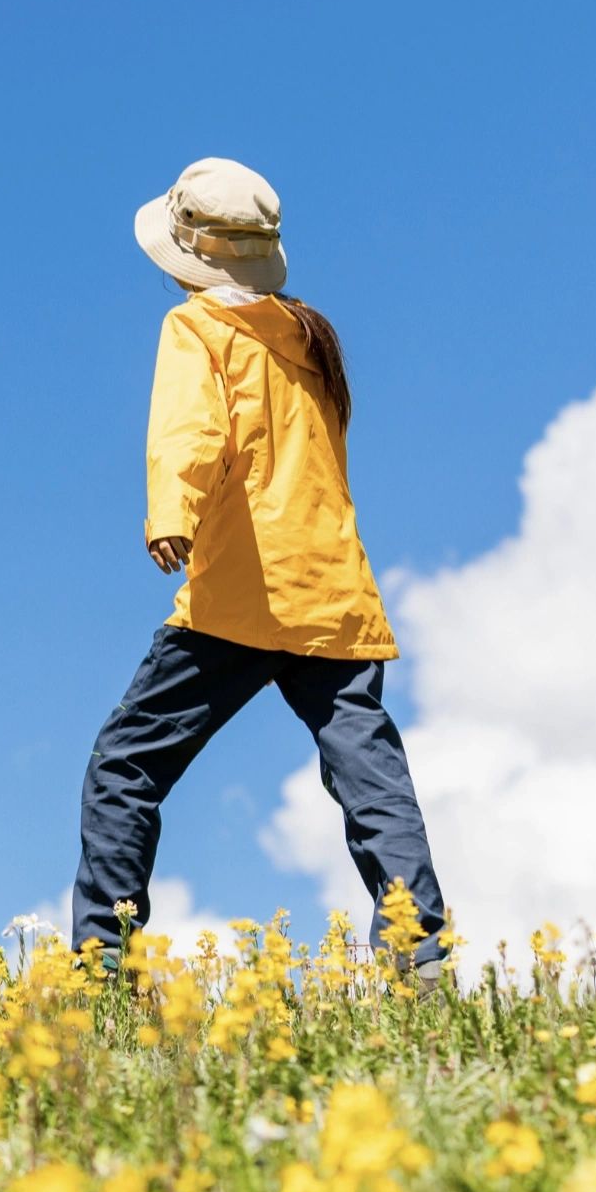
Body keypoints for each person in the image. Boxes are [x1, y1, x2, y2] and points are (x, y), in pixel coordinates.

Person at [71, 157, 447, 986]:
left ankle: (100, 979)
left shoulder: (197, 328)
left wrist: (171, 510)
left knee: (124, 767)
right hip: (334, 595)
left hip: (242, 598)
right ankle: (421, 960)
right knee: (372, 783)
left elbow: (191, 429)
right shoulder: (313, 337)